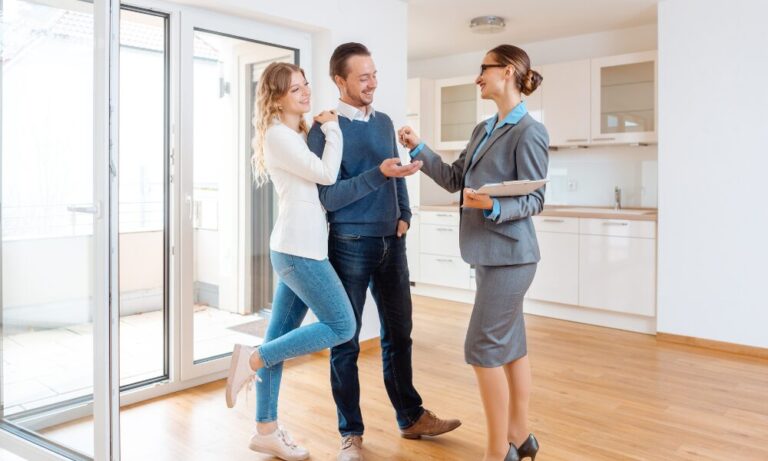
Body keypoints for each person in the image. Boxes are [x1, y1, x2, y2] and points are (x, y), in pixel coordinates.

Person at [306, 42, 461, 461]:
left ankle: (410, 417)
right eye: (362, 76)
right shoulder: (326, 130)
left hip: (393, 242)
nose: (372, 82)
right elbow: (330, 198)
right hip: (350, 243)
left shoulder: (386, 121)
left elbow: (397, 174)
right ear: (339, 81)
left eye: (374, 74)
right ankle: (350, 434)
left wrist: (405, 214)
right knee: (346, 339)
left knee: (400, 334)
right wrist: (378, 175)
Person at [398, 44, 548, 461]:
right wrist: (420, 148)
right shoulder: (484, 129)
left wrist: (495, 206)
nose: (477, 76)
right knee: (510, 347)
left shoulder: (529, 131)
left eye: (484, 68)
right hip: (489, 256)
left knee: (482, 349)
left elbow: (536, 199)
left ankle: (497, 451)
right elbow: (454, 178)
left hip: (513, 257)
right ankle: (520, 437)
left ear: (510, 72)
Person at [225, 61, 356, 461]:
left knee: (278, 339)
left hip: (299, 248)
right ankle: (253, 359)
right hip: (299, 252)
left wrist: (319, 128)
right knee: (342, 325)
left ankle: (265, 431)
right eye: (295, 89)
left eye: (305, 85)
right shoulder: (279, 135)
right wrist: (333, 128)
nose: (305, 93)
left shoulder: (294, 132)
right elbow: (325, 174)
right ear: (277, 97)